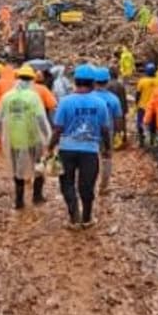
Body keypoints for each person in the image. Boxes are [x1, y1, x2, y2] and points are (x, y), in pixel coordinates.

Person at [47, 64, 112, 229]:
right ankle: (87, 218)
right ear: (92, 83)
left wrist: (50, 147)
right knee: (87, 186)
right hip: (89, 151)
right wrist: (107, 148)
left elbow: (58, 129)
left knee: (67, 183)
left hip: (66, 150)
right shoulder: (100, 103)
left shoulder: (65, 102)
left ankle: (74, 217)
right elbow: (105, 130)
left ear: (75, 81)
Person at [0, 65, 52, 209]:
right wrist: (48, 138)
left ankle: (19, 201)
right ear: (32, 80)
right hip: (33, 139)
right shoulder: (33, 96)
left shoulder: (7, 97)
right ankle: (37, 197)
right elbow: (41, 119)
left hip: (14, 140)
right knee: (38, 167)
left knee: (17, 171)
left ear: (17, 78)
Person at [90, 65, 123, 192]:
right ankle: (103, 186)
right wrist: (118, 133)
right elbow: (118, 118)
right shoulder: (113, 99)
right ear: (107, 81)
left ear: (94, 81)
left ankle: (89, 185)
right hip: (107, 132)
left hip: (90, 131)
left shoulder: (89, 96)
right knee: (107, 158)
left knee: (91, 159)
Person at [133, 62, 158, 147]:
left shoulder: (142, 81)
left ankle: (141, 142)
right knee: (153, 125)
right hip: (154, 107)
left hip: (143, 106)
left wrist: (136, 103)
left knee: (140, 123)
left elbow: (138, 94)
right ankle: (152, 141)